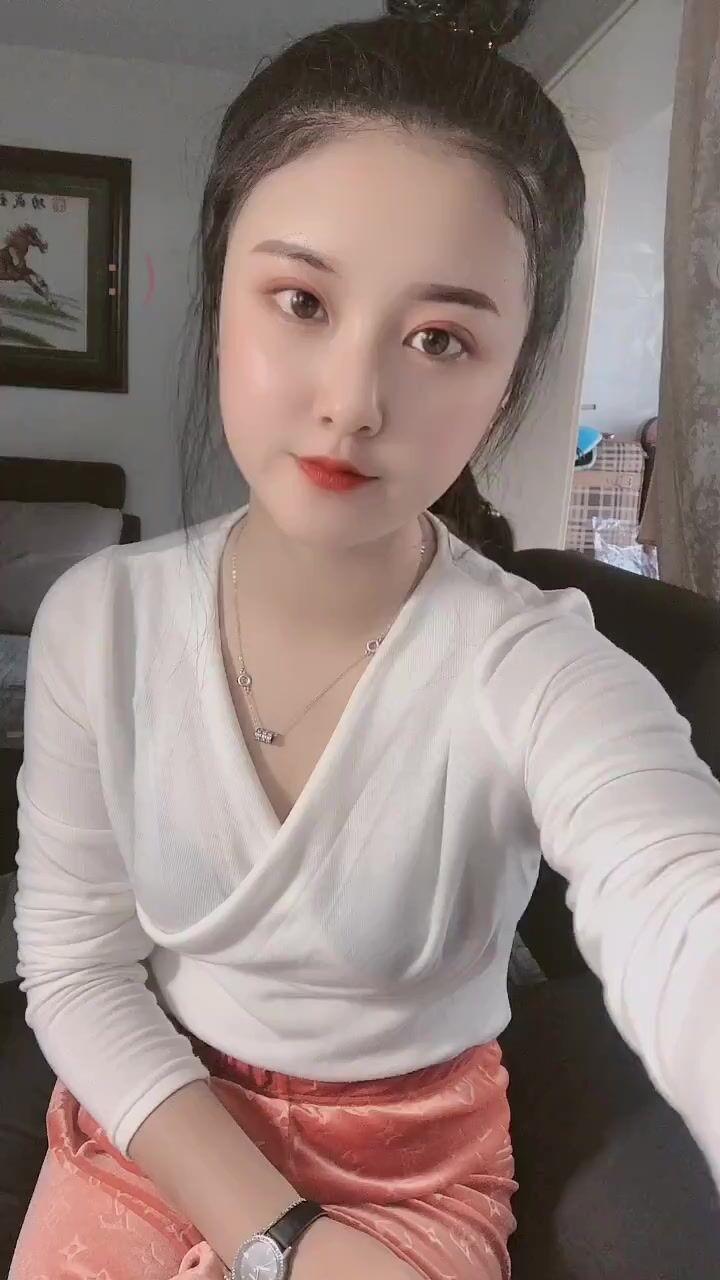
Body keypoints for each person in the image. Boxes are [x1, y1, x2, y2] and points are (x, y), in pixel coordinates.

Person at [9, 1, 720, 1277]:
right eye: (300, 299)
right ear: (219, 290)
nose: (353, 401)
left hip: (415, 1168)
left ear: (509, 373)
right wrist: (280, 1237)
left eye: (440, 338)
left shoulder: (536, 667)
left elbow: (681, 897)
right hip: (155, 1123)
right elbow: (75, 967)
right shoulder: (99, 624)